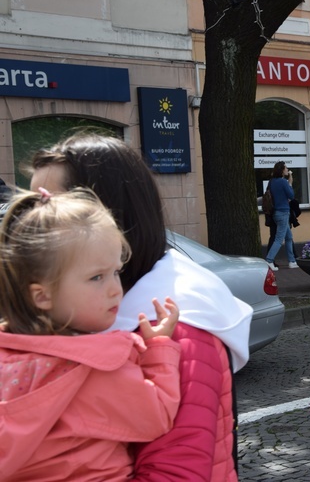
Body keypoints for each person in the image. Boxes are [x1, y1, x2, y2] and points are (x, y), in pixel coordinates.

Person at [29, 134, 251, 481]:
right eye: (32, 204)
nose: (32, 225)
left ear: (107, 214)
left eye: (48, 204)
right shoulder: (79, 307)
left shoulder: (177, 327)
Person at [0, 188, 181, 480]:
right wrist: (159, 347)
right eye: (96, 277)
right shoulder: (98, 366)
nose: (114, 289)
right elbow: (156, 416)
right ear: (42, 296)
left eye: (116, 272)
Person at [264, 161, 298, 271]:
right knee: (279, 239)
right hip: (283, 213)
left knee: (289, 237)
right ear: (282, 170)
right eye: (286, 168)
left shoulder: (272, 181)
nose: (287, 170)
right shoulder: (283, 182)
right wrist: (290, 183)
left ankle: (292, 261)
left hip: (276, 213)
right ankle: (269, 260)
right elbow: (291, 195)